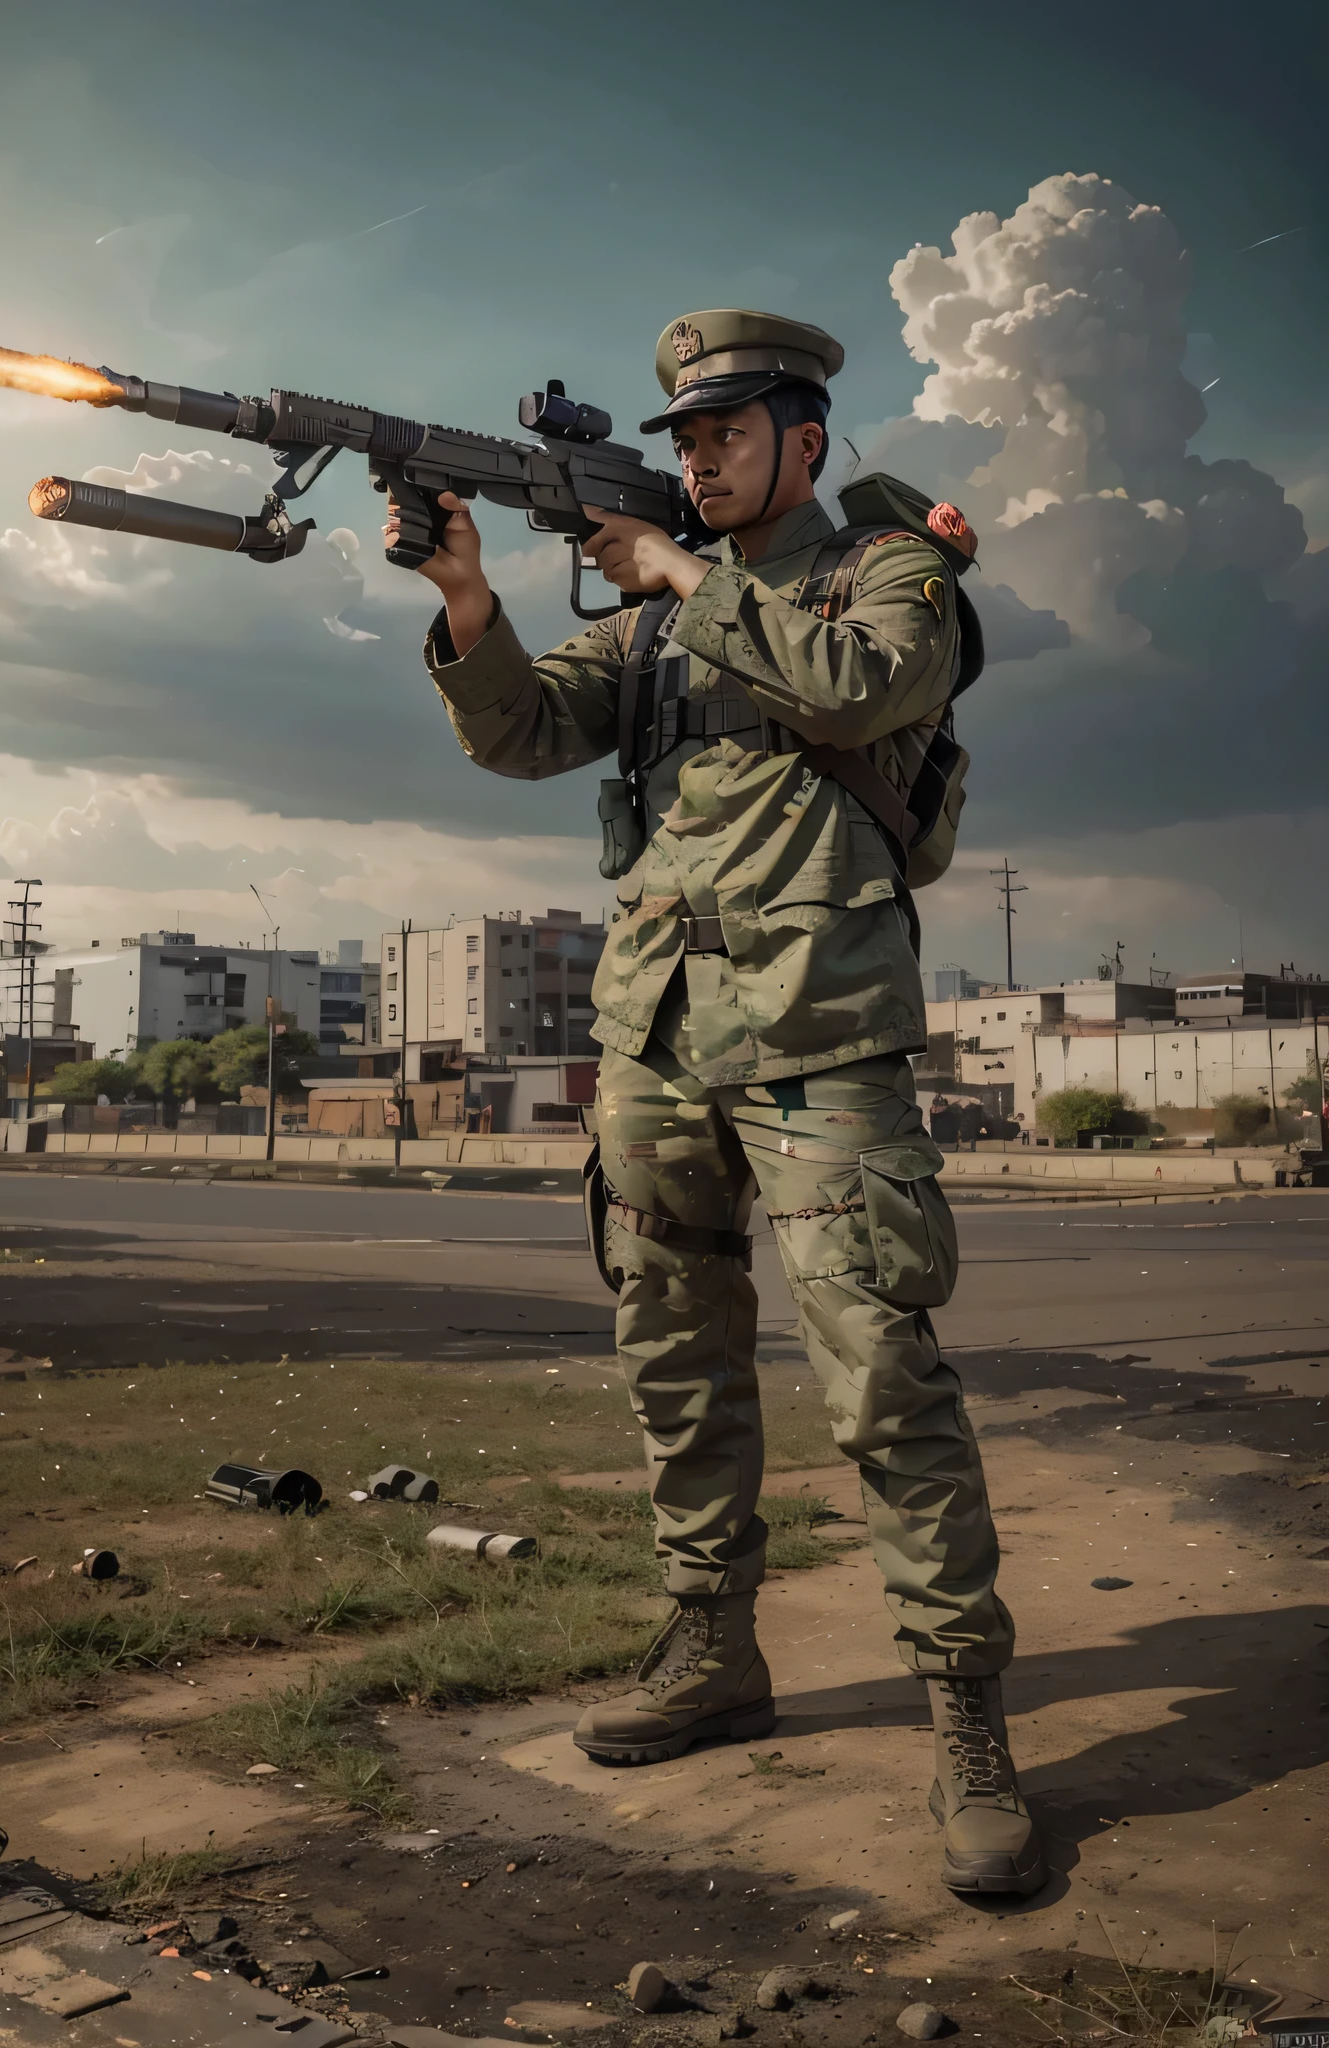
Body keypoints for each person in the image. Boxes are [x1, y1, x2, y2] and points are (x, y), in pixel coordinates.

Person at [386, 309, 1044, 1897]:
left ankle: (966, 1716)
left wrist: (682, 573)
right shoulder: (649, 626)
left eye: (728, 433)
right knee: (674, 1358)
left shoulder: (883, 575)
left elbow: (874, 688)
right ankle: (711, 1649)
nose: (699, 460)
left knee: (882, 1371)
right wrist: (467, 596)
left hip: (820, 1035)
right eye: (683, 440)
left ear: (804, 438)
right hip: (658, 1037)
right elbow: (527, 734)